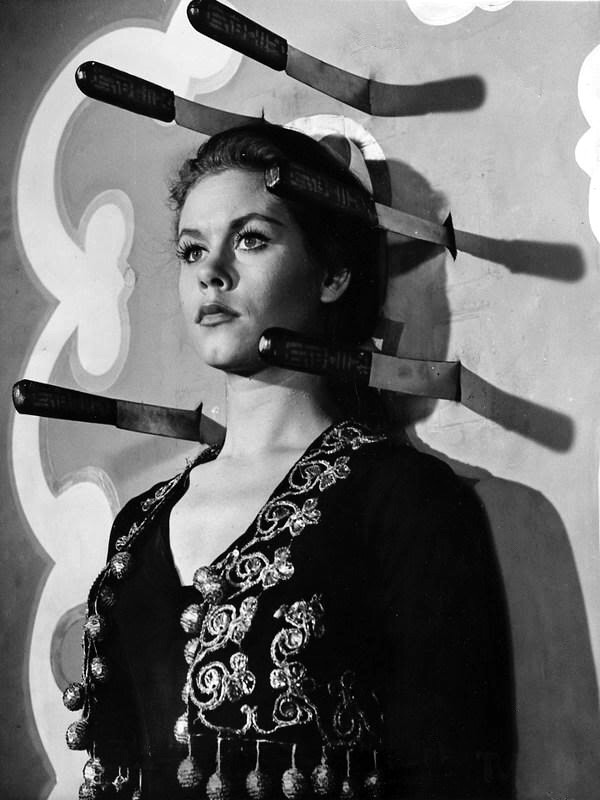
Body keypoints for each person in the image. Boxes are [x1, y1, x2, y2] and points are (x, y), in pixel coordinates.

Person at [63, 123, 516, 799]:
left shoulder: (403, 500)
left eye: (251, 239)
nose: (211, 271)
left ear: (332, 273)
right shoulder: (137, 525)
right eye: (192, 250)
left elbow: (455, 777)